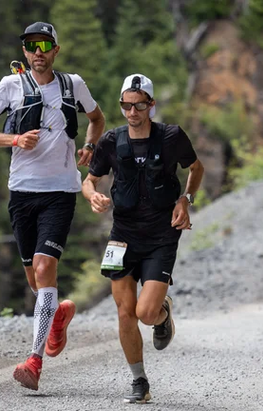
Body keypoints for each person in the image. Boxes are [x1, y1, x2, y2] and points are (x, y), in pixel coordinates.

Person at [0, 22, 106, 391]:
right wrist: (14, 138)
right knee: (35, 279)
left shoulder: (73, 85)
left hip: (61, 192)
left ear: (55, 50)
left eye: (45, 44)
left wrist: (90, 148)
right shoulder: (9, 86)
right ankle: (58, 316)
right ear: (25, 51)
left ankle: (34, 360)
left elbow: (97, 118)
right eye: (31, 46)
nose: (38, 52)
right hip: (22, 192)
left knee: (46, 267)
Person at [81, 74, 204, 403]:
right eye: (126, 105)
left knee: (145, 313)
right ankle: (140, 382)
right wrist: (93, 195)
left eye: (139, 105)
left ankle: (163, 313)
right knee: (124, 312)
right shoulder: (111, 141)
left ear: (151, 105)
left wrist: (185, 200)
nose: (132, 112)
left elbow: (196, 169)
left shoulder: (171, 137)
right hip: (122, 235)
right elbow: (89, 181)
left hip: (162, 234)